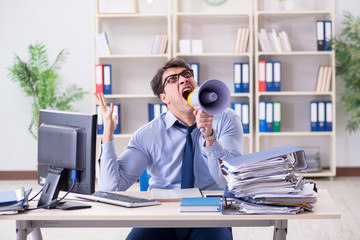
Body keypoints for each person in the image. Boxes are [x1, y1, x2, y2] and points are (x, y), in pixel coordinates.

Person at [94, 57, 243, 240]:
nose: (183, 79)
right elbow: (111, 188)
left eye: (187, 74)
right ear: (164, 98)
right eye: (172, 79)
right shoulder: (147, 135)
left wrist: (210, 135)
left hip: (209, 214)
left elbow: (227, 180)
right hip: (160, 215)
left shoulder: (226, 119)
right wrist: (107, 135)